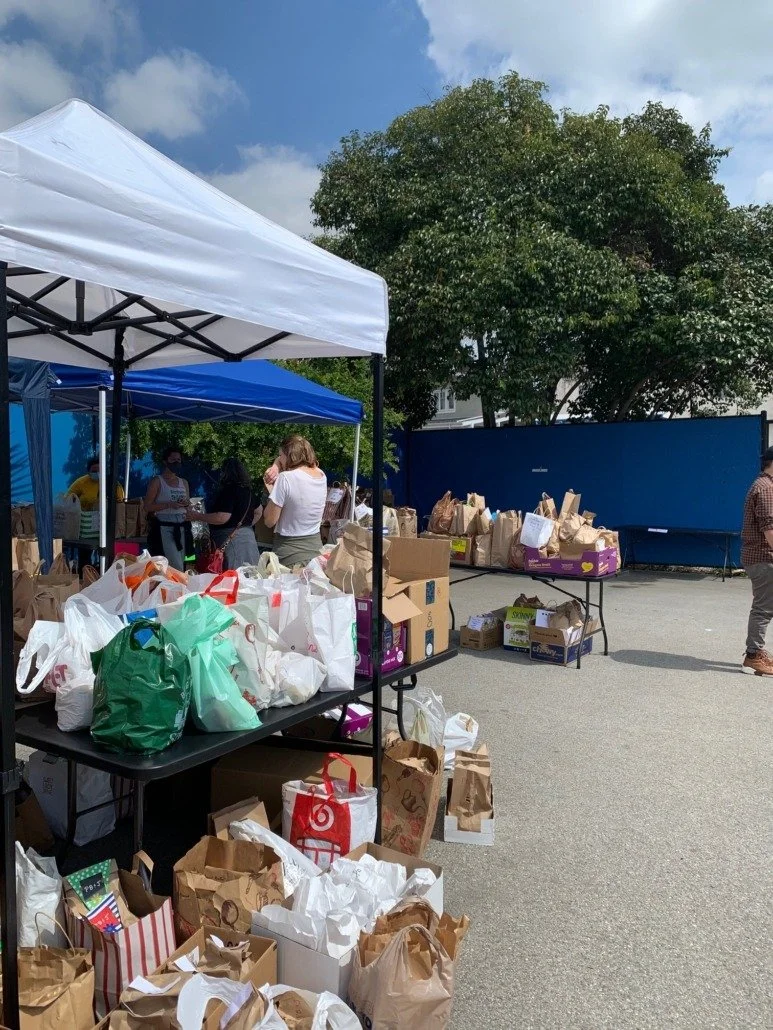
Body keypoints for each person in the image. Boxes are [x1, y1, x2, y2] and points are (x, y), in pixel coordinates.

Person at [186, 457, 262, 570]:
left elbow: (222, 517)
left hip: (232, 543)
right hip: (249, 539)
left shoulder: (228, 491)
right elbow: (259, 511)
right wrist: (245, 527)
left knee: (233, 578)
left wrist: (197, 516)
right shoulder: (248, 491)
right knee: (251, 577)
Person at [262, 435, 327, 567]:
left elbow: (269, 521)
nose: (279, 459)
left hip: (289, 553)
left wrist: (272, 492)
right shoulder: (321, 475)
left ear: (289, 455)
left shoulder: (286, 478)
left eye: (281, 455)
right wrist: (276, 466)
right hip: (315, 550)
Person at [741, 445, 773, 675]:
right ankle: (753, 655)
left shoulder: (762, 485)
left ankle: (757, 651)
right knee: (763, 608)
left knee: (765, 607)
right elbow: (769, 529)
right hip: (764, 558)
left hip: (760, 557)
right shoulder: (766, 488)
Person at [67, 455, 125, 570]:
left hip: (108, 525)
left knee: (108, 553)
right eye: (94, 471)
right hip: (86, 526)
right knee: (85, 554)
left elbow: (120, 500)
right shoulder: (81, 482)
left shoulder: (112, 482)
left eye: (99, 470)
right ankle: (85, 574)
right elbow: (68, 497)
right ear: (88, 471)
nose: (97, 473)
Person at [144, 446, 190, 572]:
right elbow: (147, 506)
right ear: (165, 461)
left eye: (179, 460)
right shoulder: (157, 481)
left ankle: (180, 585)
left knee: (183, 561)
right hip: (164, 526)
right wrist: (169, 504)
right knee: (172, 564)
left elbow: (188, 505)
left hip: (182, 525)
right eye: (173, 459)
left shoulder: (183, 482)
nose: (176, 462)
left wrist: (186, 504)